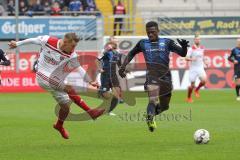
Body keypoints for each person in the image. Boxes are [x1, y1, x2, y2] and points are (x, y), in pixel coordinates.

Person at [8, 32, 105, 139]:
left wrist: (90, 81)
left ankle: (59, 125)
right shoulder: (48, 41)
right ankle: (91, 112)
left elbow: (78, 67)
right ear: (65, 42)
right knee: (68, 88)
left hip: (54, 79)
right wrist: (17, 44)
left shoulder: (71, 54)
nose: (74, 48)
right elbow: (33, 40)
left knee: (65, 107)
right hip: (42, 75)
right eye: (73, 45)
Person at [118, 21, 189, 132]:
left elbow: (183, 54)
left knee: (165, 107)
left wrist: (184, 47)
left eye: (153, 32)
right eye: (148, 33)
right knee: (153, 100)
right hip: (152, 76)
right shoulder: (143, 43)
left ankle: (151, 115)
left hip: (166, 78)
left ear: (158, 31)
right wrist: (123, 67)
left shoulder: (167, 42)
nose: (150, 34)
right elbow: (131, 53)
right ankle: (150, 117)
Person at [96, 41, 124, 116]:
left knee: (117, 96)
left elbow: (119, 64)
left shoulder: (117, 54)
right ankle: (101, 91)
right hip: (105, 75)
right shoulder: (106, 53)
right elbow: (97, 60)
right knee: (105, 94)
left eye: (111, 46)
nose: (109, 47)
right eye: (109, 46)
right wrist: (99, 69)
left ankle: (108, 111)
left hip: (113, 75)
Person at [185, 35, 207, 103]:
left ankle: (197, 90)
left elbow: (202, 57)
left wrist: (205, 61)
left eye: (199, 39)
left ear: (200, 40)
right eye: (196, 39)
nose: (198, 40)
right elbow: (186, 58)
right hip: (193, 69)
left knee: (204, 81)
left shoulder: (202, 48)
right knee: (192, 85)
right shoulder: (191, 49)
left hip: (200, 67)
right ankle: (188, 98)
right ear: (194, 40)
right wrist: (192, 59)